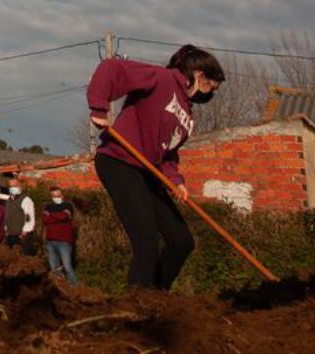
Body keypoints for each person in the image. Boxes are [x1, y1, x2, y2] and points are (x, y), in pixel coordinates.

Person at [88, 44, 223, 290]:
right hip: (119, 161)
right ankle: (137, 307)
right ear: (200, 75)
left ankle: (155, 297)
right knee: (146, 242)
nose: (209, 95)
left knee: (182, 241)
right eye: (210, 88)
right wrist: (99, 106)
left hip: (148, 172)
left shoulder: (187, 116)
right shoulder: (161, 78)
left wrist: (176, 180)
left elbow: (168, 153)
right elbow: (112, 68)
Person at [43, 188, 78, 283]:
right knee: (54, 267)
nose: (56, 197)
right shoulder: (47, 206)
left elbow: (65, 216)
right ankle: (60, 287)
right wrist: (59, 216)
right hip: (51, 240)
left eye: (58, 196)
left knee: (67, 267)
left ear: (62, 196)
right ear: (51, 197)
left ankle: (75, 287)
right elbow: (45, 220)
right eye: (54, 196)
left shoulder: (68, 205)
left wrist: (51, 215)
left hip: (64, 241)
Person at [3, 180, 33, 251]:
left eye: (15, 186)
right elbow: (8, 215)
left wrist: (25, 231)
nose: (12, 188)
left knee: (20, 258)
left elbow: (29, 217)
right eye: (11, 186)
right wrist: (6, 227)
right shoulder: (9, 200)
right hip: (10, 234)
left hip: (21, 235)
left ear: (20, 187)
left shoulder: (26, 200)